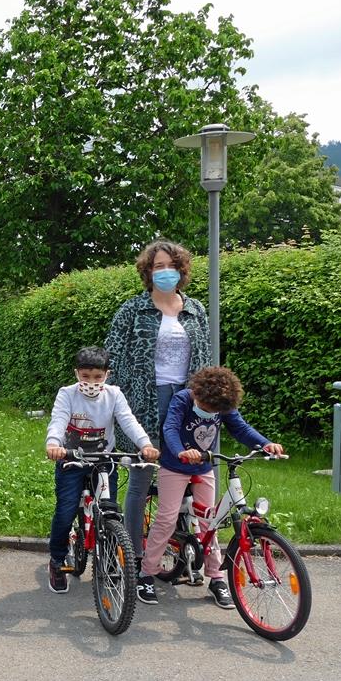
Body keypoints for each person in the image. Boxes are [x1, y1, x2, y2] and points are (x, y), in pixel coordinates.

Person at [138, 367, 283, 608]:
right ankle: (146, 572)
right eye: (204, 407)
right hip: (175, 465)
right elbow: (170, 429)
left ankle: (216, 578)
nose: (208, 412)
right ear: (195, 392)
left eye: (213, 411)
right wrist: (180, 451)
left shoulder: (221, 404)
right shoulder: (183, 399)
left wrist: (265, 444)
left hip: (204, 467)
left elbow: (241, 428)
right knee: (166, 518)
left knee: (211, 521)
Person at [105, 239, 210, 566]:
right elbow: (114, 357)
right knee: (141, 478)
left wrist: (206, 400)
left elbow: (204, 357)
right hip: (145, 401)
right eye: (158, 266)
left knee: (189, 474)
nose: (165, 272)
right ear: (148, 272)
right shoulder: (133, 310)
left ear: (182, 270)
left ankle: (184, 550)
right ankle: (134, 557)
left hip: (187, 401)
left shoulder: (195, 310)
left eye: (171, 266)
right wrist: (119, 402)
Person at [44, 347, 158, 594]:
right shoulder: (67, 394)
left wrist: (145, 444)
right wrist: (53, 443)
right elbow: (59, 419)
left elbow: (128, 421)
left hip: (103, 460)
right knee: (65, 511)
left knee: (109, 511)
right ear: (77, 374)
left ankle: (109, 560)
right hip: (71, 459)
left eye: (97, 377)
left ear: (107, 375)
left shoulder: (114, 395)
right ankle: (57, 561)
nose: (91, 382)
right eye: (85, 376)